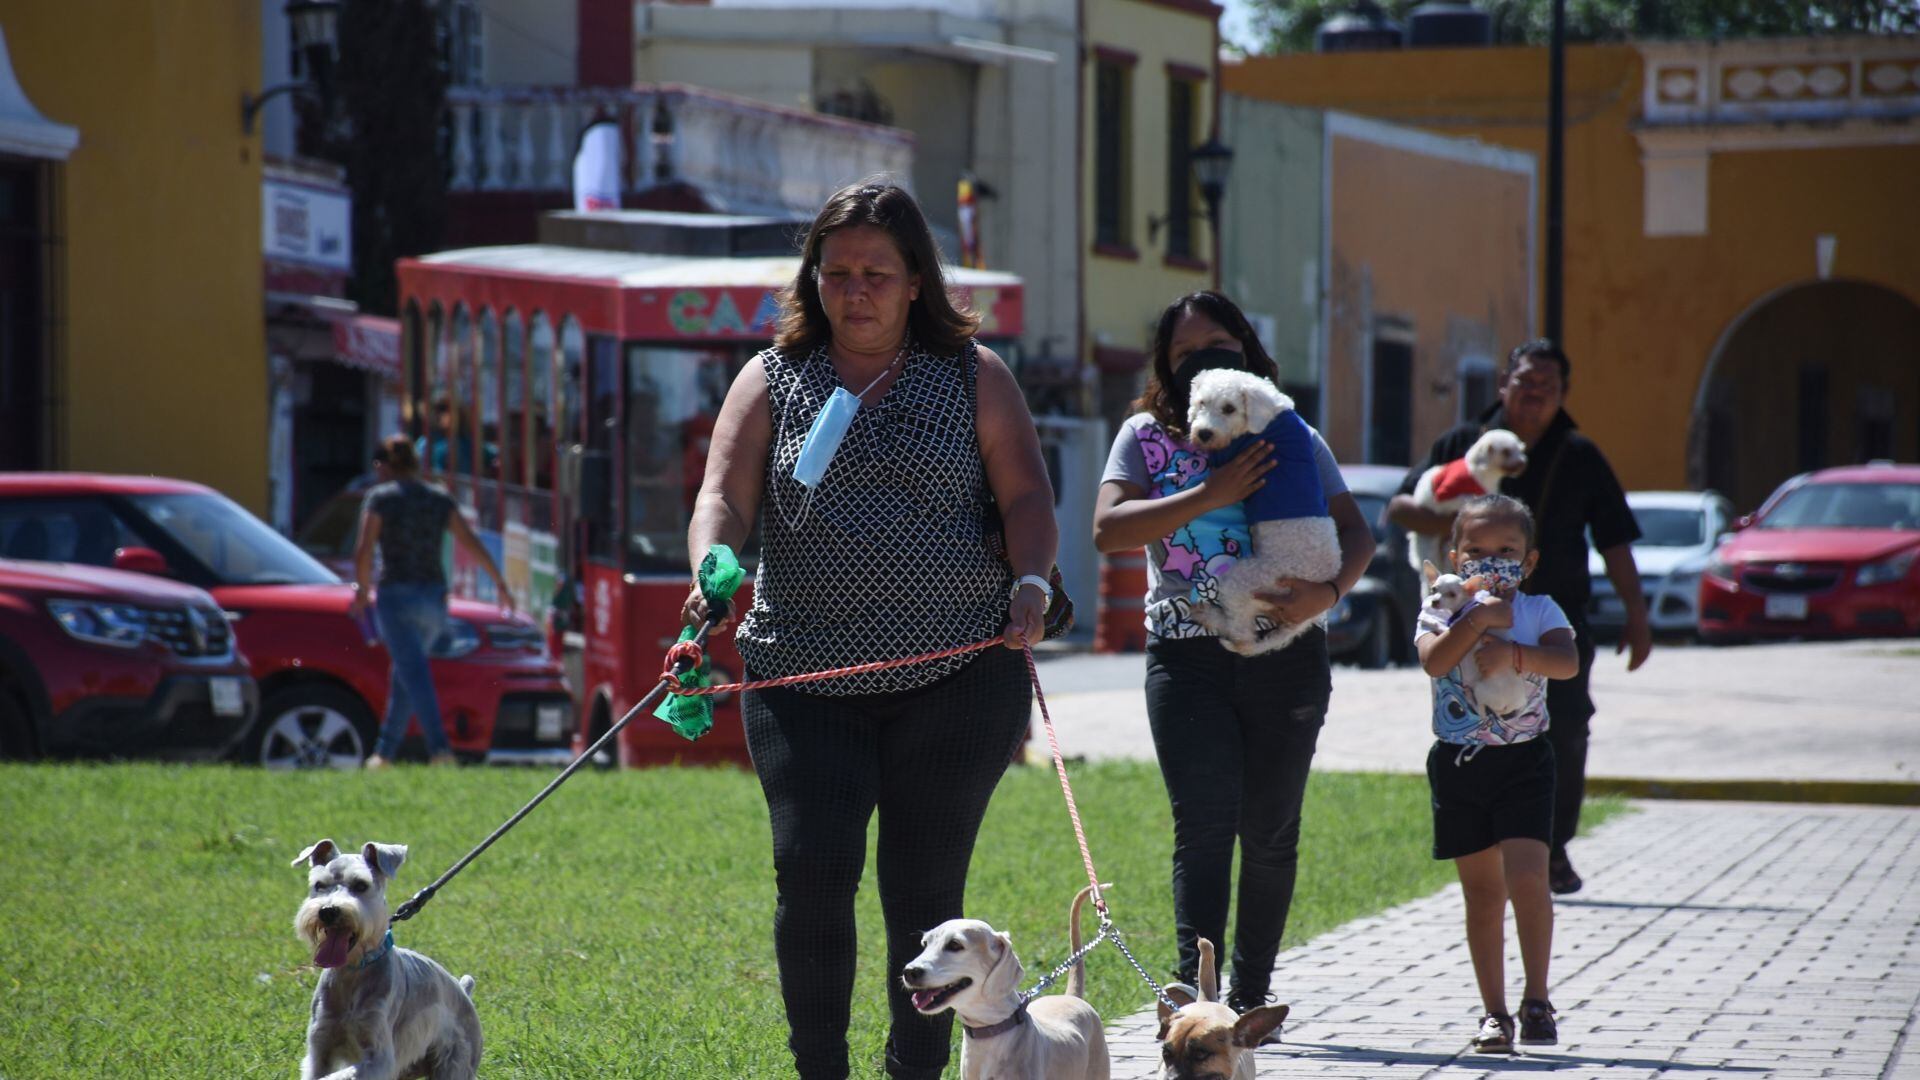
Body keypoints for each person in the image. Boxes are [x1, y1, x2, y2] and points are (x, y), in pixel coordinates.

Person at [681, 180, 1057, 1080]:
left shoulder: (974, 375)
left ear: (917, 281)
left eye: (877, 274)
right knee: (811, 874)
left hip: (959, 678)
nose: (855, 291)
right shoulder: (771, 377)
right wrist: (712, 568)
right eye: (837, 272)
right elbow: (722, 496)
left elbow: (1027, 498)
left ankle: (914, 1071)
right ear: (812, 278)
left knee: (924, 891)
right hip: (802, 678)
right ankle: (821, 1070)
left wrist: (1032, 582)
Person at [1091, 291, 1374, 1013]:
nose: (1202, 360)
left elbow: (1357, 532)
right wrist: (1209, 493)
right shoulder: (1143, 437)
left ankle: (1249, 998)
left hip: (1287, 656)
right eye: (1184, 352)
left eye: (1217, 344)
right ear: (1166, 367)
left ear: (1246, 349)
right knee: (1205, 828)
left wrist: (1327, 593)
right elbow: (1109, 531)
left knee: (1271, 831)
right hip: (1186, 660)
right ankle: (1198, 992)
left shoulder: (1290, 432)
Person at [1388, 339, 1648, 896]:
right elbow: (1400, 506)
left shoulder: (1579, 454)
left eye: (1547, 386)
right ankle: (1487, 849)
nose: (1534, 394)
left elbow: (1615, 539)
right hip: (1466, 616)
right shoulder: (1463, 443)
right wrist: (1457, 523)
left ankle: (1551, 847)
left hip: (1553, 616)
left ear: (1563, 394)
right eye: (1525, 382)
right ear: (1504, 384)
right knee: (1474, 724)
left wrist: (1637, 613)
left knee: (1567, 727)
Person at [1415, 494, 1579, 1052]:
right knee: (1483, 895)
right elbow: (1435, 661)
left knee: (1529, 878)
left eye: (1506, 552)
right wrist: (1477, 618)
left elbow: (1567, 662)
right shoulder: (1439, 608)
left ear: (1528, 562)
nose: (1492, 562)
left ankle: (1537, 1000)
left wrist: (1516, 655)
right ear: (1456, 559)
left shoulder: (1540, 610)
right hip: (1460, 766)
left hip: (1524, 762)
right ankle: (1494, 1013)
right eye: (1477, 552)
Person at [350, 435, 514, 769]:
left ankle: (440, 750)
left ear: (385, 467)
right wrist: (499, 581)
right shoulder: (438, 498)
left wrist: (363, 591)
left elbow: (364, 549)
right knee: (405, 672)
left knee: (414, 672)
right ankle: (384, 754)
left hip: (396, 595)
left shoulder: (380, 498)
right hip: (433, 598)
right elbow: (470, 540)